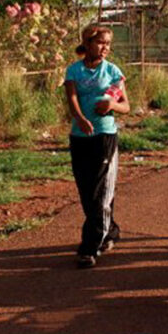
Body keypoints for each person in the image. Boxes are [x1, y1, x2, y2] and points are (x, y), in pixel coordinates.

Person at [64, 23, 130, 268]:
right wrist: (80, 118)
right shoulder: (74, 71)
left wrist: (112, 106)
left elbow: (126, 105)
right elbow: (71, 98)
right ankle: (109, 230)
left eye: (108, 44)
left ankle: (89, 247)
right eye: (101, 42)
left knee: (101, 192)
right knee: (86, 191)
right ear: (88, 43)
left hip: (105, 137)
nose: (105, 48)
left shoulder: (113, 72)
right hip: (79, 138)